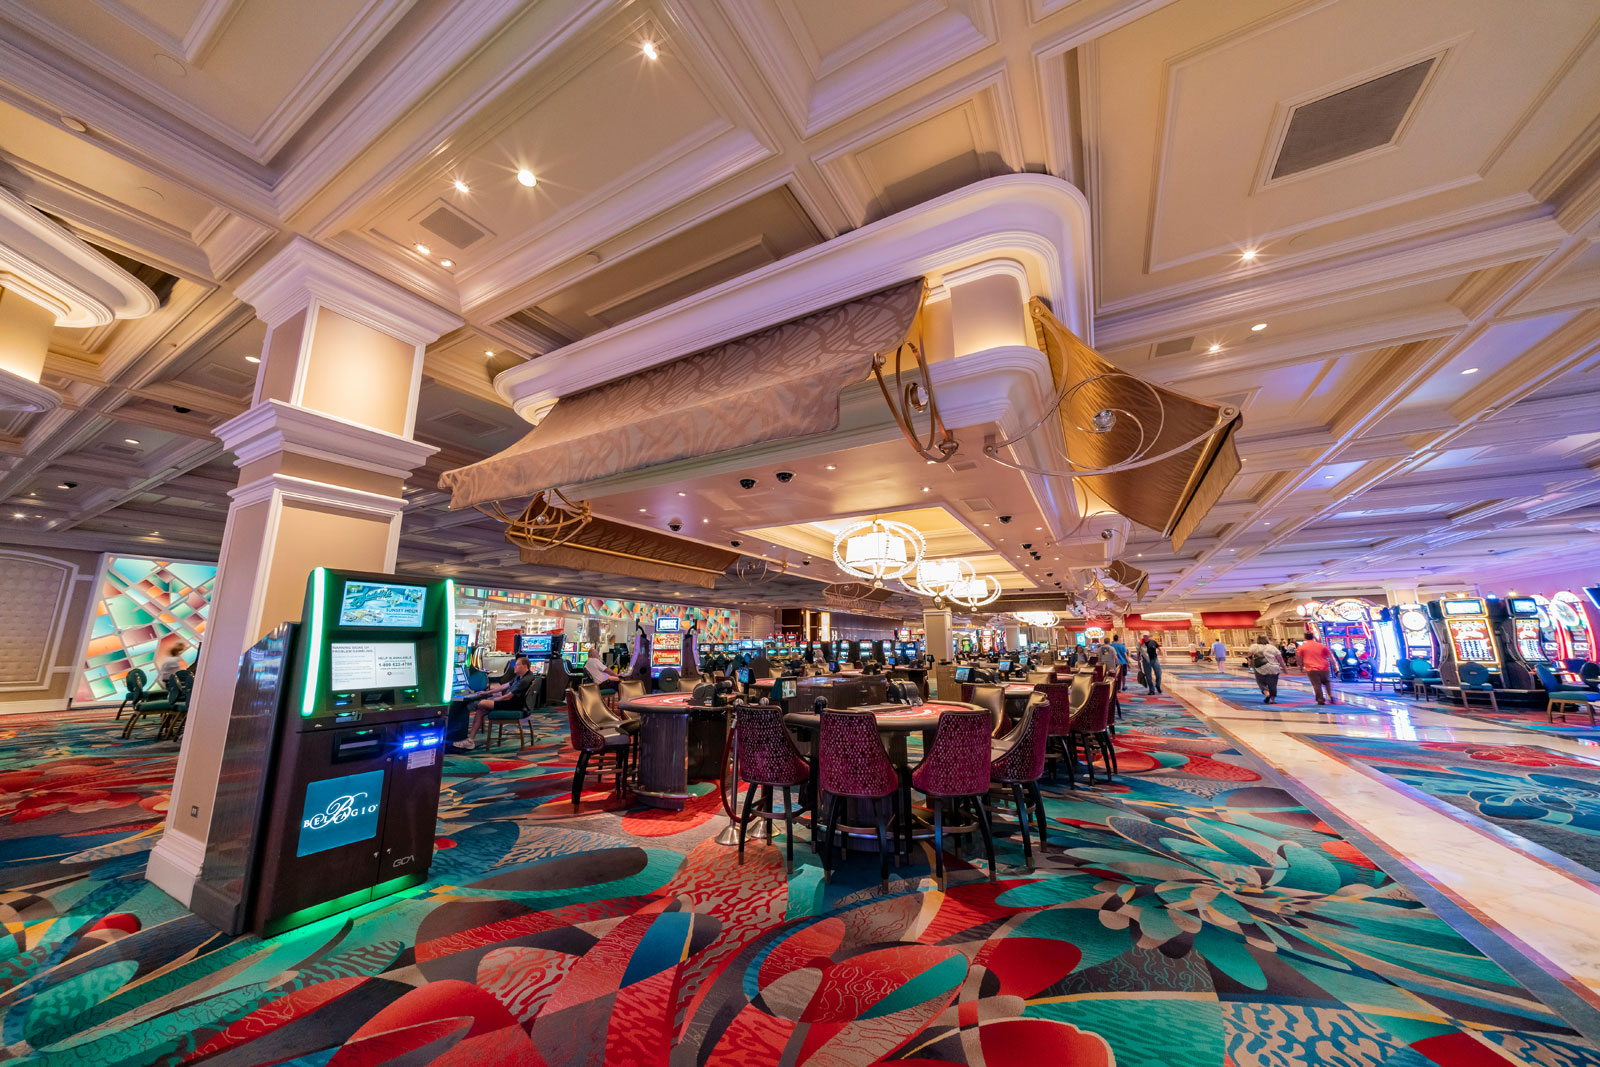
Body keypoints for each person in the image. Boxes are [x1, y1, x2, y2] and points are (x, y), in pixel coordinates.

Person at [455, 655, 535, 750]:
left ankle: (468, 708)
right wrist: (488, 692)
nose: (514, 667)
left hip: (513, 705)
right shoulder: (521, 676)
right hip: (512, 702)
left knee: (480, 703)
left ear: (525, 666)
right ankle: (470, 740)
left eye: (517, 665)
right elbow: (504, 686)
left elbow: (508, 697)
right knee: (481, 710)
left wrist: (493, 700)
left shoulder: (525, 680)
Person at [1298, 630, 1336, 705]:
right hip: (1324, 668)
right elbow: (1330, 656)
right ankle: (1330, 695)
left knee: (1317, 684)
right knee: (1327, 682)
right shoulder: (1321, 645)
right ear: (1313, 637)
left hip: (1311, 668)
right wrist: (1334, 665)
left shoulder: (1302, 647)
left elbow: (1299, 659)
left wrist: (1301, 666)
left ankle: (1320, 699)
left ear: (1305, 638)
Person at [1250, 635, 1285, 703]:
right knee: (1273, 684)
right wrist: (1284, 668)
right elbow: (1280, 659)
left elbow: (1249, 657)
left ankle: (1267, 693)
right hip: (1273, 667)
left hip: (1260, 667)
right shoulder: (1272, 647)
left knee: (1261, 682)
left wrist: (1250, 666)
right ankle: (1273, 699)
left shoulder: (1254, 647)